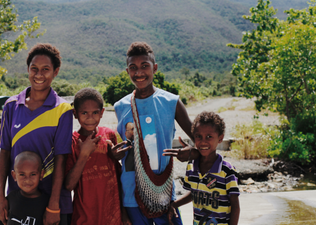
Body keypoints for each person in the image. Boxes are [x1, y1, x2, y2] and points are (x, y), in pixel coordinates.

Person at [113, 41, 198, 224]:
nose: (139, 72)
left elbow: (199, 139)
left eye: (145, 66)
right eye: (133, 67)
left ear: (155, 68)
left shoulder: (171, 102)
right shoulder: (120, 106)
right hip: (130, 193)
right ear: (127, 71)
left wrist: (193, 153)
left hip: (162, 190)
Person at [0, 43, 73, 225]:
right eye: (34, 69)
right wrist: (0, 195)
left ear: (56, 72)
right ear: (28, 70)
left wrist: (54, 204)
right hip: (18, 200)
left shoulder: (62, 110)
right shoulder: (11, 106)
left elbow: (61, 159)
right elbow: (4, 153)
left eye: (46, 69)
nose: (39, 75)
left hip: (51, 202)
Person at [64, 88, 130, 225]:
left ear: (102, 113)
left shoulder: (109, 135)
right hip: (84, 217)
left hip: (112, 216)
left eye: (95, 112)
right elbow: (69, 185)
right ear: (75, 114)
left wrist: (123, 214)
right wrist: (84, 155)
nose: (90, 117)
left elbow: (119, 178)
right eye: (84, 113)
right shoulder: (72, 141)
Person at [169, 111, 240, 225]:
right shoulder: (191, 166)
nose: (203, 141)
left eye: (209, 136)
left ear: (220, 138)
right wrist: (174, 204)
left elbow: (235, 207)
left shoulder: (227, 171)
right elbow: (194, 193)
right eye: (198, 136)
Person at [0, 151, 50, 225]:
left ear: (41, 175)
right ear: (14, 175)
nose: (27, 180)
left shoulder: (47, 202)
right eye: (22, 174)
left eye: (33, 174)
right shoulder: (11, 198)